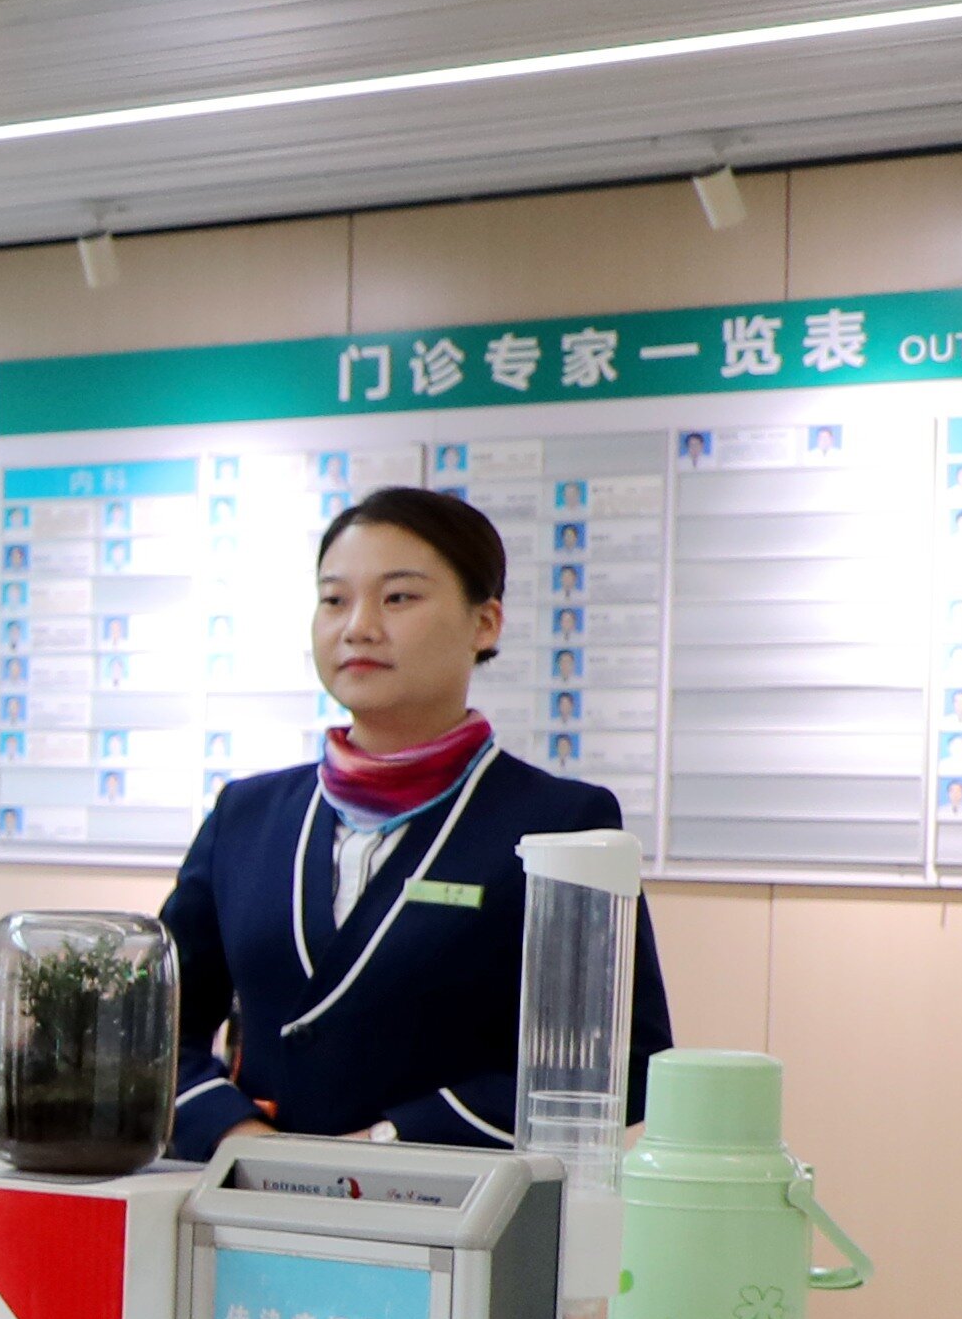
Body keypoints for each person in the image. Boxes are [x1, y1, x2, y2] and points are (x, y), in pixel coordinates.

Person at [159, 483, 669, 1158]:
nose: (358, 627)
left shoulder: (560, 822)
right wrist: (239, 1136)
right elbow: (154, 1026)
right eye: (334, 600)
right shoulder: (246, 816)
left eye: (398, 597)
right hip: (245, 1191)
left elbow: (620, 1065)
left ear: (485, 623)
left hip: (455, 1202)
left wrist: (390, 1142)